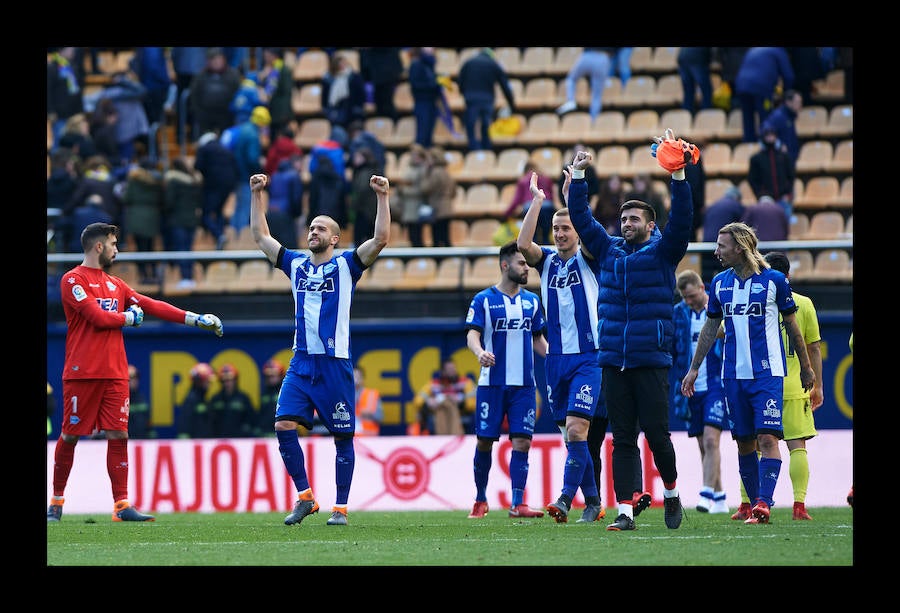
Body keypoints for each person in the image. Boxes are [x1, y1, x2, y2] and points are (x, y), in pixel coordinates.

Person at [565, 130, 699, 531]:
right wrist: (579, 178)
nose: (625, 223)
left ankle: (672, 494)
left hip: (651, 358)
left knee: (657, 436)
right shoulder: (607, 250)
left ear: (649, 223)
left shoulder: (664, 251)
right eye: (622, 218)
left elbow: (683, 222)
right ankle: (625, 512)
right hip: (613, 359)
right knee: (622, 439)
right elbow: (582, 221)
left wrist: (678, 179)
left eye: (633, 218)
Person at [48, 222, 223, 522]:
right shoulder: (71, 280)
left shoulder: (116, 285)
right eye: (114, 244)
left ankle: (121, 505)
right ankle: (56, 502)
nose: (117, 250)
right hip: (82, 372)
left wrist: (195, 319)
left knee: (119, 433)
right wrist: (127, 318)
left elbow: (151, 305)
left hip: (115, 373)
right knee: (71, 434)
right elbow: (96, 317)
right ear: (99, 246)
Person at [248, 168, 391, 528]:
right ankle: (306, 497)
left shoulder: (346, 265)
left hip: (334, 363)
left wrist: (382, 197)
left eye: (321, 229)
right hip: (301, 362)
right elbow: (260, 236)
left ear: (336, 239)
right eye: (310, 228)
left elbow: (380, 239)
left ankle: (340, 507)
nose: (313, 232)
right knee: (282, 424)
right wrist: (255, 194)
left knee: (343, 437)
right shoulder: (294, 263)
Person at [681, 222, 814, 525]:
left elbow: (793, 327)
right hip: (733, 376)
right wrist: (693, 369)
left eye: (721, 246)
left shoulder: (774, 281)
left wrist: (806, 367)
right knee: (744, 442)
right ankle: (755, 506)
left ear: (739, 247)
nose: (716, 252)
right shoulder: (719, 283)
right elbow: (711, 327)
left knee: (768, 438)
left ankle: (764, 503)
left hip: (768, 375)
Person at [516, 173, 608, 525]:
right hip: (555, 360)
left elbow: (586, 230)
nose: (560, 233)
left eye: (566, 227)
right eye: (556, 229)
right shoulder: (548, 262)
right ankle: (595, 501)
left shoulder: (591, 258)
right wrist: (538, 201)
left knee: (576, 430)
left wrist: (573, 201)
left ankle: (566, 498)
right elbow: (524, 245)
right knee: (572, 438)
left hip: (590, 357)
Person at [465, 241, 549, 519]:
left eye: (527, 264)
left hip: (524, 384)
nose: (527, 268)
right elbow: (472, 334)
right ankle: (480, 498)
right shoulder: (483, 300)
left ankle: (517, 503)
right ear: (505, 265)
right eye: (521, 263)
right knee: (485, 442)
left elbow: (538, 339)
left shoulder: (532, 301)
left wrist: (556, 359)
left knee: (522, 442)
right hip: (491, 384)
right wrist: (479, 352)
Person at [763, 251, 824, 520]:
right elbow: (813, 348)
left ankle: (747, 504)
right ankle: (799, 506)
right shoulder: (804, 303)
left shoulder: (759, 303)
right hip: (795, 385)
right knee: (797, 445)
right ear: (789, 275)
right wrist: (818, 385)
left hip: (764, 385)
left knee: (757, 446)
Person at [670, 270, 730, 513]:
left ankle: (705, 493)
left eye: (692, 296)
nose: (689, 301)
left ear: (702, 288)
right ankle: (721, 496)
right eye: (685, 298)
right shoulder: (678, 314)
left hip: (716, 383)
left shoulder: (719, 311)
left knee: (710, 439)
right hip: (691, 388)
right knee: (703, 446)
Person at [457, 47, 516, 151]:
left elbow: (460, 80)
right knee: (486, 123)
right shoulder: (493, 64)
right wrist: (511, 104)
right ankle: (486, 148)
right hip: (487, 99)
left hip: (471, 98)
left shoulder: (469, 63)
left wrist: (463, 93)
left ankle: (473, 148)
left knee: (471, 123)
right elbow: (504, 85)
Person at [734, 47, 795, 143]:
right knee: (766, 119)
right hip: (761, 87)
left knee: (748, 120)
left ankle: (748, 146)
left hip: (741, 86)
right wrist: (786, 95)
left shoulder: (753, 49)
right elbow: (788, 76)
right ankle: (766, 148)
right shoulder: (778, 51)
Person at [162, 157, 203, 288]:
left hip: (177, 220)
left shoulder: (173, 181)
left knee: (181, 248)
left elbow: (169, 202)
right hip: (191, 220)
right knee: (188, 248)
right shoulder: (193, 182)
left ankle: (185, 277)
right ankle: (189, 277)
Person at [194, 130, 239, 247]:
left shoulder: (204, 149)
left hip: (213, 185)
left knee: (206, 214)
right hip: (228, 185)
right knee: (219, 211)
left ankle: (219, 235)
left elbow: (198, 166)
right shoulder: (226, 150)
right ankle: (220, 239)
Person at [413, 359, 476, 435]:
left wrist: (460, 399)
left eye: (453, 368)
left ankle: (445, 437)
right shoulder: (433, 384)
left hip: (460, 412)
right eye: (449, 369)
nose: (452, 371)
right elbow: (418, 401)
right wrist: (429, 401)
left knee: (449, 404)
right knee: (443, 406)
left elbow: (472, 404)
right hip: (438, 411)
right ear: (443, 372)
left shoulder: (465, 382)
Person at [747, 126, 796, 219]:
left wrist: (788, 194)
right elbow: (752, 180)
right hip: (766, 200)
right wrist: (760, 195)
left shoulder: (784, 156)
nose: (770, 138)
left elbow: (791, 176)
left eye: (772, 136)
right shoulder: (756, 159)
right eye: (768, 136)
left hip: (783, 200)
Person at [555, 47, 615, 121]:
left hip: (587, 56)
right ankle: (594, 121)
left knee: (571, 79)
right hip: (602, 58)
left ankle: (570, 100)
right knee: (596, 97)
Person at [701, 186, 744, 280]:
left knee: (706, 277)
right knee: (726, 277)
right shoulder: (736, 205)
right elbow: (743, 229)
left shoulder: (712, 205)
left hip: (705, 245)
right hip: (724, 246)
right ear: (737, 198)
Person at [506, 162, 555, 245]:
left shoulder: (523, 180)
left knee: (532, 236)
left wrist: (507, 214)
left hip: (530, 206)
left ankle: (534, 253)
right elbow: (552, 196)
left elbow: (516, 201)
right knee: (546, 236)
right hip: (547, 206)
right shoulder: (546, 178)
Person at [407, 47, 443, 148]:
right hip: (422, 103)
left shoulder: (430, 65)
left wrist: (439, 84)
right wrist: (434, 84)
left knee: (429, 136)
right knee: (422, 135)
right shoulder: (416, 64)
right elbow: (415, 85)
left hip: (432, 102)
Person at [421, 146, 457, 247]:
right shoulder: (447, 172)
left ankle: (439, 261)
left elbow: (425, 188)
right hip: (448, 208)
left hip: (437, 209)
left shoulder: (434, 173)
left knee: (437, 238)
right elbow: (454, 192)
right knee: (446, 237)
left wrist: (425, 173)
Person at [321, 52, 367, 130]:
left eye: (345, 63)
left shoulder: (355, 77)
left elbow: (360, 96)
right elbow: (325, 98)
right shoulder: (327, 80)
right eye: (341, 64)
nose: (343, 66)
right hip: (335, 114)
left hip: (353, 113)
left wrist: (357, 110)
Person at [209, 363, 256, 438]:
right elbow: (210, 422)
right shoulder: (215, 399)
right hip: (218, 439)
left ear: (235, 380)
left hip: (240, 440)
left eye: (230, 380)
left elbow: (251, 419)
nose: (227, 383)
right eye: (224, 380)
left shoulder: (243, 398)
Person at [760, 88, 803, 168]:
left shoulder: (790, 116)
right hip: (781, 160)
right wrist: (778, 145)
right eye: (797, 102)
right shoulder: (779, 116)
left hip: (790, 157)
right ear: (788, 102)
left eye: (800, 102)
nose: (800, 105)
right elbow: (765, 129)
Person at [176, 362, 215, 439]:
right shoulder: (192, 399)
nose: (209, 384)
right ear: (199, 381)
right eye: (207, 381)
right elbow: (184, 426)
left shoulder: (201, 399)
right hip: (195, 446)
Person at [677, 47, 713, 114]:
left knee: (688, 91)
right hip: (696, 57)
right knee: (706, 90)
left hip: (683, 57)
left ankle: (686, 115)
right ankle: (706, 114)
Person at [257, 358, 286, 437]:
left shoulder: (286, 393)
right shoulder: (264, 394)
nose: (270, 379)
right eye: (268, 376)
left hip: (283, 434)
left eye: (273, 376)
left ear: (281, 376)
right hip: (265, 435)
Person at [126, 364, 155, 439]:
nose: (134, 381)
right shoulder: (119, 401)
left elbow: (148, 424)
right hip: (126, 443)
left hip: (143, 442)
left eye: (136, 377)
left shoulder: (142, 399)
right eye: (131, 378)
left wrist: (151, 438)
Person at [354, 365, 383, 436]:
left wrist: (370, 415)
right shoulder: (343, 396)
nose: (355, 380)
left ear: (363, 379)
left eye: (358, 377)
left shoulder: (372, 394)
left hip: (369, 438)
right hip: (349, 439)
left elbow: (380, 417)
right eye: (353, 377)